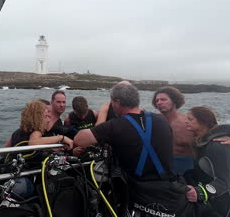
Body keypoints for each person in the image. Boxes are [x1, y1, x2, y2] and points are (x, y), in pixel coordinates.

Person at [75, 83, 191, 216]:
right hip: (169, 187)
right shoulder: (161, 120)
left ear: (117, 102)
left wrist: (103, 112)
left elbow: (79, 140)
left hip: (139, 190)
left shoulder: (114, 126)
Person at [152, 86, 230, 175]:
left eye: (163, 99)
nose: (159, 103)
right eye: (157, 100)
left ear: (174, 101)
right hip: (161, 167)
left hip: (186, 169)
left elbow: (213, 136)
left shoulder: (189, 123)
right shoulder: (152, 122)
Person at [184, 106, 230, 217]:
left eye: (190, 119)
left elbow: (223, 182)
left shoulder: (218, 145)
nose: (186, 121)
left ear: (203, 122)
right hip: (216, 203)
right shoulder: (200, 142)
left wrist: (200, 193)